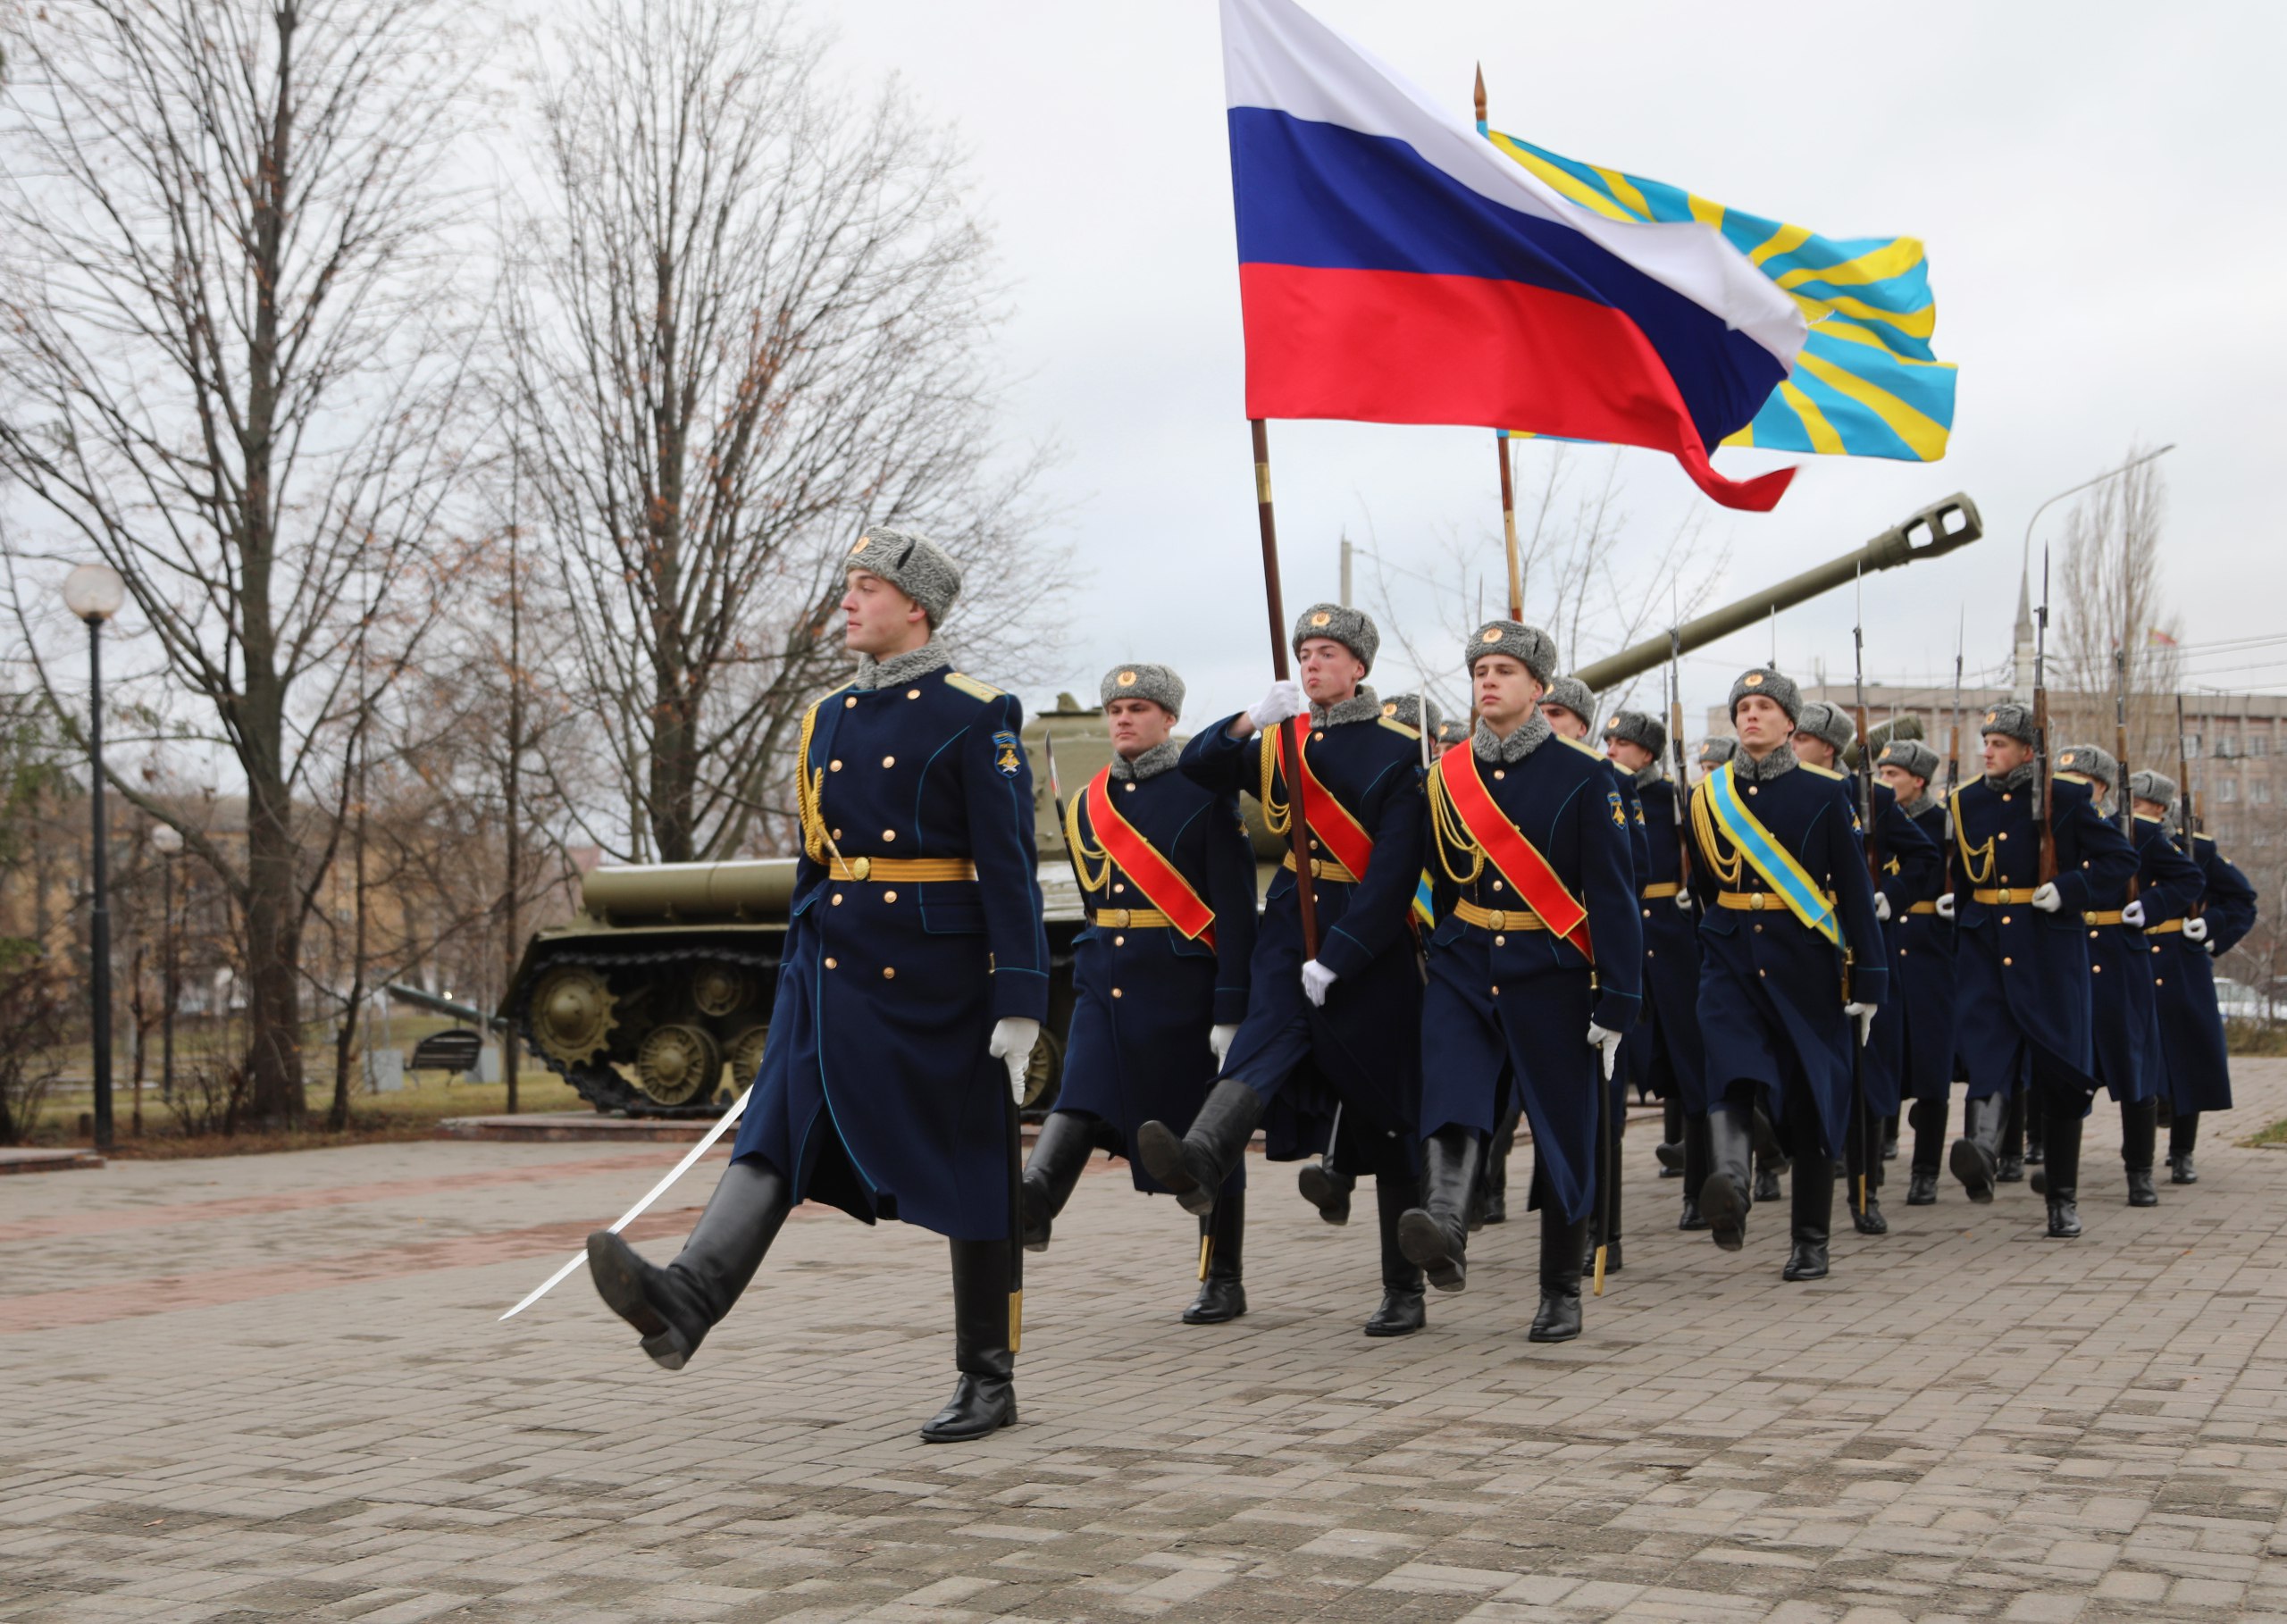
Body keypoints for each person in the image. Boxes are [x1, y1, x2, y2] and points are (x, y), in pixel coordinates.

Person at [586, 526, 1049, 1442]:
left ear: (914, 607)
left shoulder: (976, 711)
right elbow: (816, 863)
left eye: (866, 587)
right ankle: (686, 1303)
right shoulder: (825, 718)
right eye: (847, 584)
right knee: (775, 1134)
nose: (847, 602)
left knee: (973, 1168)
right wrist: (798, 973)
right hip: (831, 970)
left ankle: (987, 1378)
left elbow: (1009, 868)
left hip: (935, 979)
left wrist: (1021, 998)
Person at [1137, 605, 1432, 1336]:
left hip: (1363, 940)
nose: (1312, 666)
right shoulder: (1279, 739)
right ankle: (1200, 1158)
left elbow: (1395, 871)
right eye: (1304, 654)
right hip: (1286, 921)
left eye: (1328, 653)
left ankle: (1404, 1287)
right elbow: (1198, 767)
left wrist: (1342, 956)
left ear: (1359, 667)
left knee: (1385, 1112)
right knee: (1257, 1046)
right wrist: (1244, 722)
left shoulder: (1398, 752)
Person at [1401, 622, 1641, 1340]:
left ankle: (1559, 1290)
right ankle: (1444, 1225)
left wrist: (1619, 999)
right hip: (1467, 962)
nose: (1488, 681)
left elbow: (1615, 896)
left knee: (1565, 1127)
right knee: (1452, 1093)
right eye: (1479, 670)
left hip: (1554, 971)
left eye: (1505, 670)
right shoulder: (1444, 776)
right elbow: (1437, 880)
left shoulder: (1587, 775)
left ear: (1538, 688)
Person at [1020, 663, 1259, 1322]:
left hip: (1184, 982)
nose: (1123, 719)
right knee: (1081, 1092)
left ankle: (1223, 1277)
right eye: (1116, 708)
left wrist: (1233, 1005)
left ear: (1169, 719)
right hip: (1107, 977)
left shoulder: (1203, 791)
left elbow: (1237, 909)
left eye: (1139, 708)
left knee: (1205, 1132)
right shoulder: (1088, 798)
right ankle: (1035, 1201)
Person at [1684, 668, 1888, 1281]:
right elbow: (1703, 889)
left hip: (1805, 961)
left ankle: (1810, 1240)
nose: (1751, 716)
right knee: (1729, 1067)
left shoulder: (1826, 793)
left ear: (1790, 724)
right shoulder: (1705, 795)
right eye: (1743, 706)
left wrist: (1870, 979)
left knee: (1809, 1098)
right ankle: (1729, 1187)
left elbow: (1853, 891)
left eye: (1765, 707)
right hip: (1729, 957)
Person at [1939, 704, 2137, 1237]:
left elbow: (2121, 860)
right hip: (1986, 947)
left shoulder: (2066, 799)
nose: (1988, 751)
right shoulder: (1964, 801)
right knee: (1987, 1052)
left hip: (2049, 951)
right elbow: (1959, 873)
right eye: (1987, 741)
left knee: (2060, 1073)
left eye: (2000, 743)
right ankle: (1980, 1151)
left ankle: (2062, 1201)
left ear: (2029, 751)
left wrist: (2069, 889)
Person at [1788, 702, 1939, 1237]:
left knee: (1867, 1070)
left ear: (1827, 747)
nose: (1792, 743)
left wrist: (1888, 896)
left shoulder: (1870, 797)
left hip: (1860, 942)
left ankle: (1866, 1188)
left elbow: (1925, 859)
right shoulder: (1784, 792)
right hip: (1804, 946)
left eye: (1801, 737)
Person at [2051, 747, 2202, 1205]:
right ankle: (2053, 1166)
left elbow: (2189, 879)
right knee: (2063, 1066)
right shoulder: (2054, 826)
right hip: (2068, 949)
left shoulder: (2137, 830)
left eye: (2077, 777)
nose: (2067, 784)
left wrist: (2149, 907)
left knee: (2133, 1065)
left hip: (2120, 954)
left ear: (2100, 786)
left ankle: (2139, 1171)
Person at [1542, 675, 1646, 1271]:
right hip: (1518, 961)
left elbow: (1628, 874)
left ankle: (1601, 1233)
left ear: (1582, 725)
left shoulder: (1610, 782)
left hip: (1584, 960)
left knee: (1595, 1110)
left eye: (1560, 713)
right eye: (1544, 710)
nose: (1550, 720)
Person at [1604, 709, 1705, 1233]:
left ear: (1647, 753)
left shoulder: (1676, 800)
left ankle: (1699, 1188)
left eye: (1623, 742)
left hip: (1671, 937)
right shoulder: (1603, 792)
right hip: (1625, 937)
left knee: (1691, 1068)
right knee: (1611, 1074)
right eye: (1610, 740)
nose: (1613, 748)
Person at [2130, 771, 2259, 1184]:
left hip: (2181, 960)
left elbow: (2241, 899)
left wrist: (2210, 926)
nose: (2132, 811)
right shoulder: (2115, 840)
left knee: (2189, 1054)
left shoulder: (2195, 848)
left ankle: (2182, 1151)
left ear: (2162, 809)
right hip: (2131, 958)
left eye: (2141, 805)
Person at [1872, 739, 1961, 1207]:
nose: (1885, 782)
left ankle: (1925, 1169)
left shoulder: (1945, 824)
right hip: (1887, 946)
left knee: (1930, 1068)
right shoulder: (1875, 817)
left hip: (1930, 950)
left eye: (1893, 775)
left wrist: (1958, 901)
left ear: (1919, 781)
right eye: (1881, 773)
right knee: (1883, 1056)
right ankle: (1875, 1150)